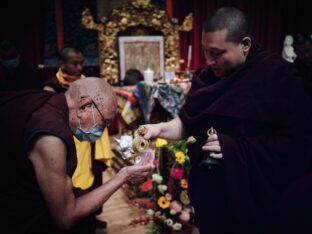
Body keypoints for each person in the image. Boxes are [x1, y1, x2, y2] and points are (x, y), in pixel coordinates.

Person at [136, 7, 312, 234]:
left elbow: (300, 144)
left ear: (245, 44)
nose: (209, 60)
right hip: (214, 192)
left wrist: (235, 148)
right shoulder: (208, 77)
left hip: (257, 195)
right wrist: (158, 128)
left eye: (217, 53)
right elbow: (187, 122)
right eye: (205, 51)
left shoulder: (278, 77)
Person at [0, 77, 154, 233]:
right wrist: (123, 176)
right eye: (103, 123)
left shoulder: (49, 102)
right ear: (84, 106)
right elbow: (65, 218)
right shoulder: (51, 137)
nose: (101, 132)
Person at [43, 47, 113, 229]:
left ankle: (92, 215)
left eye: (81, 62)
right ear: (61, 64)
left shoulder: (88, 83)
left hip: (90, 139)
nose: (80, 67)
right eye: (75, 63)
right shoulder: (51, 86)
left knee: (94, 175)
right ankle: (74, 215)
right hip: (67, 140)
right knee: (70, 178)